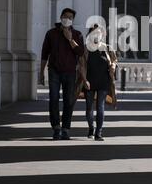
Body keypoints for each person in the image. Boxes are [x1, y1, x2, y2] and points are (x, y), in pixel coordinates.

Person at [40, 8, 84, 140]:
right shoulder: (51, 34)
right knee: (53, 99)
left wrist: (70, 40)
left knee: (68, 101)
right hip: (54, 71)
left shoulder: (77, 34)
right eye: (65, 16)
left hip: (70, 72)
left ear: (73, 20)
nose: (67, 19)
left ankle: (65, 128)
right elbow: (44, 53)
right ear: (61, 17)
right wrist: (41, 72)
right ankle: (56, 128)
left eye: (70, 17)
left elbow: (81, 52)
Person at [78, 25, 117, 141]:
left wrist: (113, 66)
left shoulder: (107, 48)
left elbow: (114, 60)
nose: (97, 35)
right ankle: (91, 127)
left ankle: (98, 132)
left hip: (103, 81)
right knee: (89, 107)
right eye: (94, 33)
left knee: (100, 106)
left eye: (99, 33)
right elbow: (82, 66)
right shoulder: (86, 49)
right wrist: (85, 80)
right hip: (90, 81)